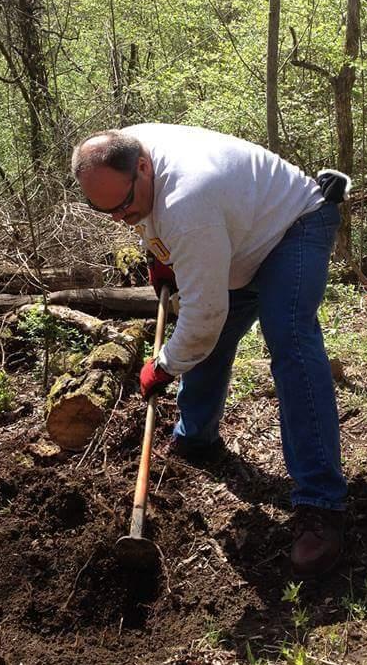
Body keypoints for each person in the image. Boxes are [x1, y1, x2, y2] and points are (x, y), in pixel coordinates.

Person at [71, 124, 348, 578]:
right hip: (237, 236)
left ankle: (322, 505)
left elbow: (203, 319)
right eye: (107, 212)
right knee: (210, 344)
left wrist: (162, 367)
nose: (120, 217)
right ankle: (196, 438)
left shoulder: (188, 201)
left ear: (142, 168)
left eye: (123, 206)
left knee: (290, 343)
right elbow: (150, 220)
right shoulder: (128, 152)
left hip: (292, 226)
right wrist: (160, 257)